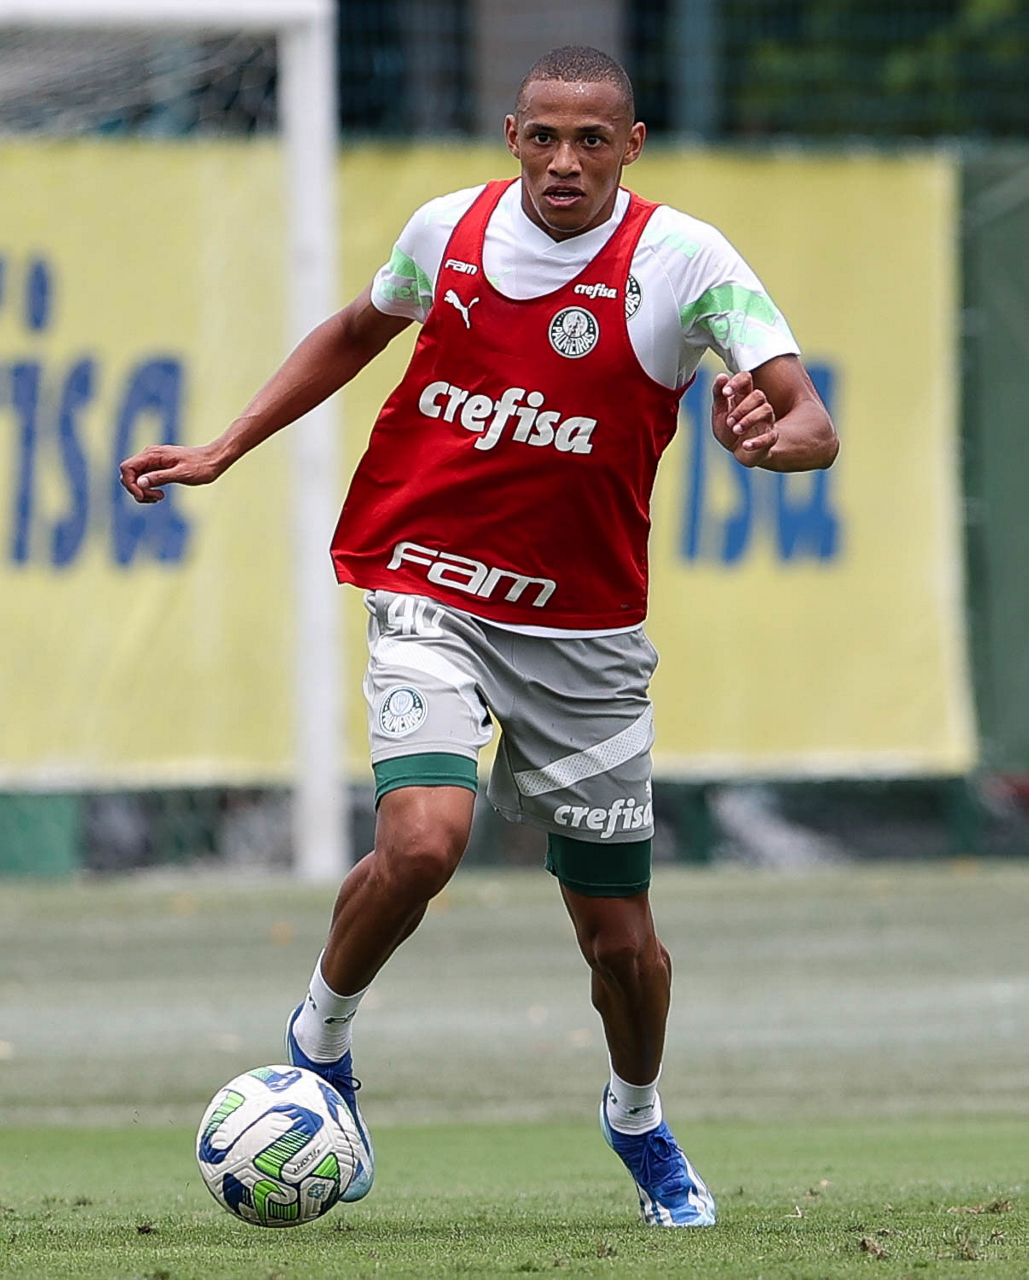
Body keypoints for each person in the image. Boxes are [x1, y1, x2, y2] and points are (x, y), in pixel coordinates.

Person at [120, 45, 837, 1228]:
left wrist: (768, 440)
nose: (565, 162)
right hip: (431, 586)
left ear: (631, 146)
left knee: (622, 946)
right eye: (543, 136)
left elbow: (810, 418)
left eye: (591, 140)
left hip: (586, 636)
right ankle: (321, 1042)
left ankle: (637, 1115)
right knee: (423, 841)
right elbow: (356, 328)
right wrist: (223, 446)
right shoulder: (446, 231)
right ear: (513, 136)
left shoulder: (687, 262)